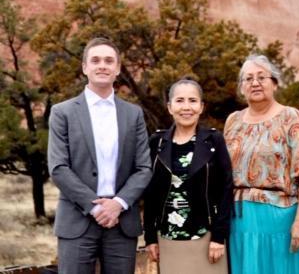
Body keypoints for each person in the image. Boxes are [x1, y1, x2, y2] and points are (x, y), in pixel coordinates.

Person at [47, 37, 152, 274]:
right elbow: (58, 168)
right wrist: (97, 208)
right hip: (77, 220)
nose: (102, 65)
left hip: (122, 222)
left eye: (108, 60)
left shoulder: (133, 114)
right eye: (95, 60)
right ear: (85, 67)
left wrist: (118, 204)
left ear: (117, 68)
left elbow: (143, 168)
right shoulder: (62, 112)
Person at [224, 54, 299, 274]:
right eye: (248, 79)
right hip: (238, 221)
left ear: (274, 83)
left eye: (261, 77)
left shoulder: (290, 117)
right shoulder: (233, 121)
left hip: (280, 221)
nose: (255, 83)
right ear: (241, 87)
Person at [143, 78, 233, 274]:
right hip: (167, 238)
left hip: (207, 238)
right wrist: (150, 237)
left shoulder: (214, 140)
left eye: (192, 101)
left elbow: (226, 189)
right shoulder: (156, 142)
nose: (186, 107)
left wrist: (219, 236)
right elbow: (149, 194)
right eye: (180, 100)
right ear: (169, 107)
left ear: (201, 107)